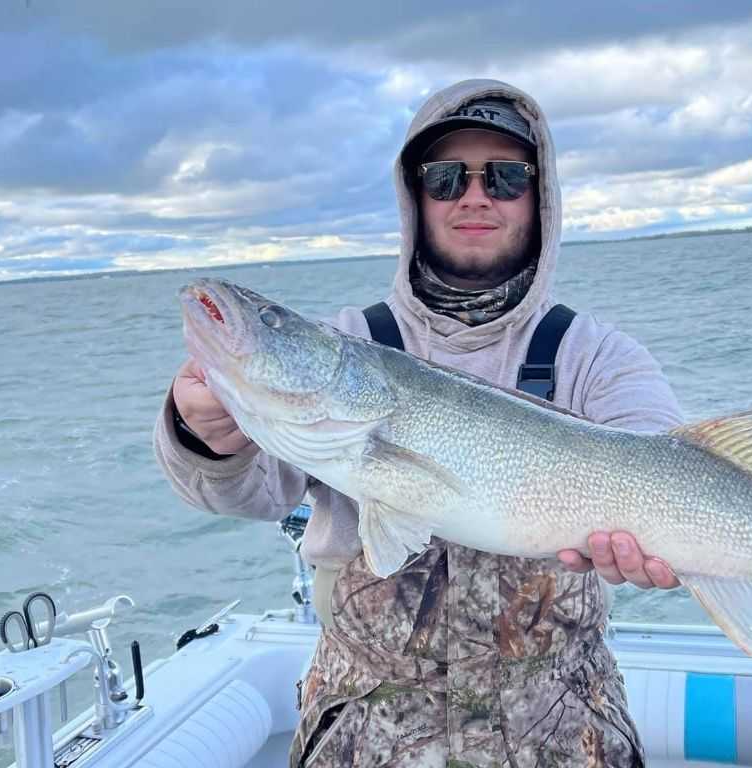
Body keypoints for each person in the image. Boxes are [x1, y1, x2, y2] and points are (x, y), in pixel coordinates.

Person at [155, 79, 683, 767]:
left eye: (505, 176)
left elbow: (667, 455)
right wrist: (207, 436)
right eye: (444, 177)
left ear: (539, 196)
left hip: (565, 730)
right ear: (414, 196)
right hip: (364, 733)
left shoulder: (598, 356)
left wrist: (656, 545)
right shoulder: (350, 341)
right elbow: (250, 491)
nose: (474, 196)